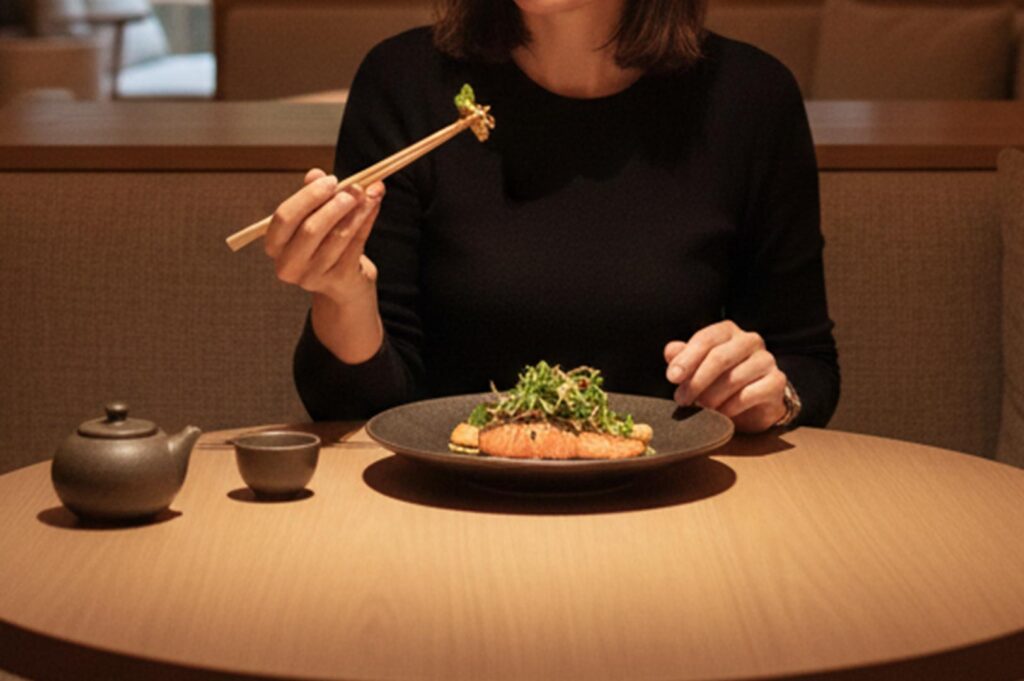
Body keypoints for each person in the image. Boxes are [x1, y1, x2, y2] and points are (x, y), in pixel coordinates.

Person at [265, 0, 840, 432]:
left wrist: (770, 393)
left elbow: (806, 364)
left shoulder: (750, 97)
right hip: (448, 503)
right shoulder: (406, 84)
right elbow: (351, 409)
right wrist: (342, 294)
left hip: (676, 501)